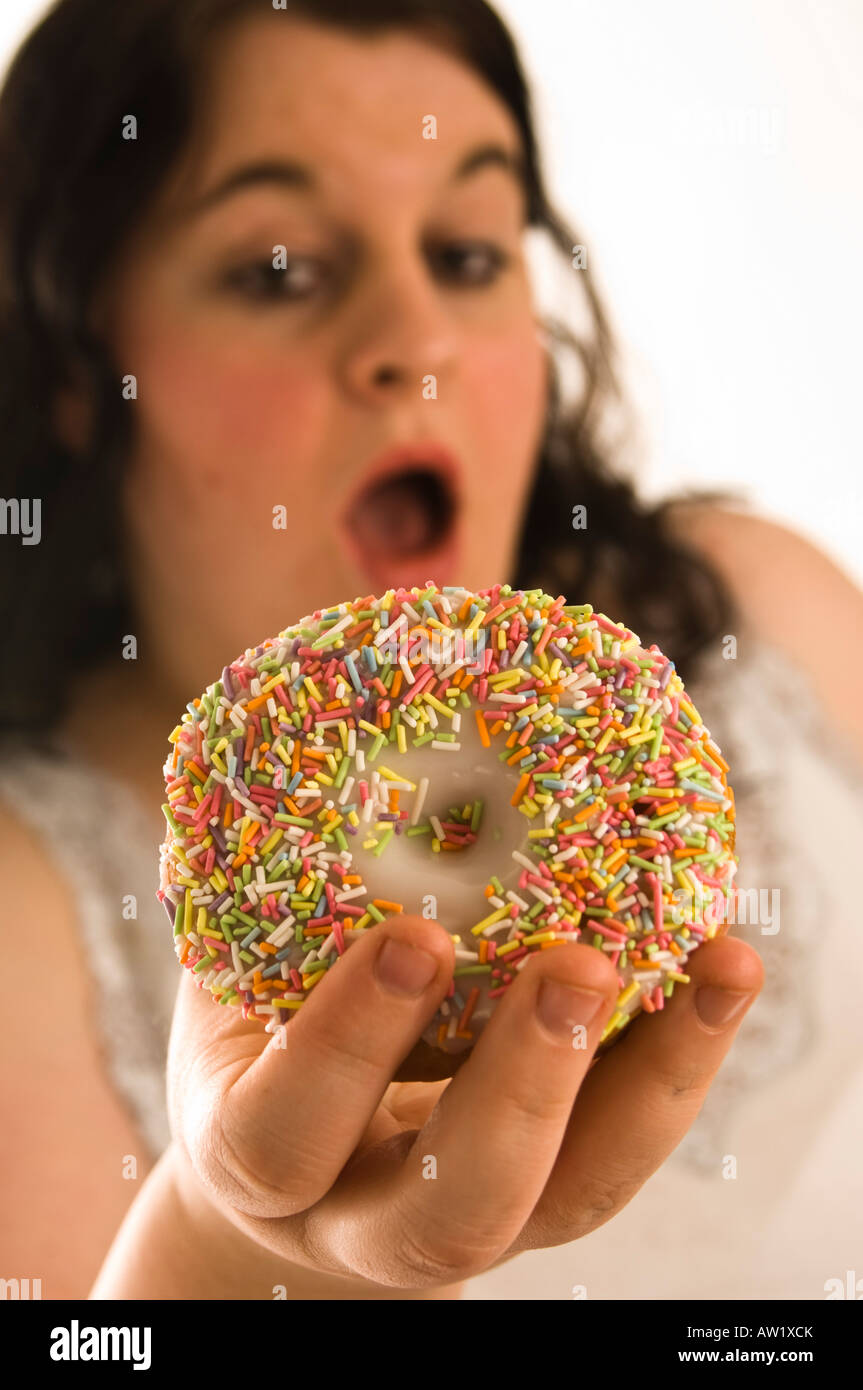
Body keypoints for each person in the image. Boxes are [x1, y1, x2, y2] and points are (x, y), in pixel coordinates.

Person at [0, 0, 859, 1301]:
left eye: (465, 252)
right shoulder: (22, 929)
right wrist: (219, 1245)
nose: (419, 341)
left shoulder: (765, 615)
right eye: (279, 268)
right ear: (80, 362)